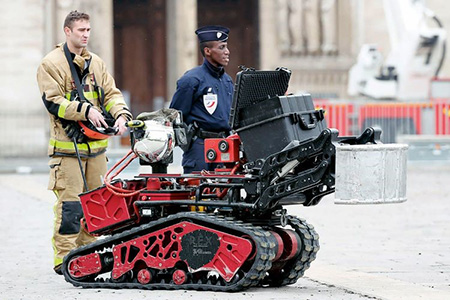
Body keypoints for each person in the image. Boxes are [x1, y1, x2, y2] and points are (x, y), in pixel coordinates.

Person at [36, 10, 132, 275]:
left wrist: (122, 115)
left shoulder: (96, 63)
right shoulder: (51, 64)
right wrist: (85, 110)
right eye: (81, 30)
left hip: (97, 149)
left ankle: (87, 255)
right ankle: (64, 260)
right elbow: (53, 101)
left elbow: (111, 93)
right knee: (70, 208)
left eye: (88, 30)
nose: (86, 35)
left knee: (97, 206)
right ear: (67, 31)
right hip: (67, 153)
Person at [170, 25, 234, 173]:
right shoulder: (191, 80)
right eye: (222, 47)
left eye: (226, 47)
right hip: (199, 148)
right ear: (207, 51)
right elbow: (176, 115)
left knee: (224, 193)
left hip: (224, 147)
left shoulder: (228, 81)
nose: (227, 52)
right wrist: (189, 142)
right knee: (197, 193)